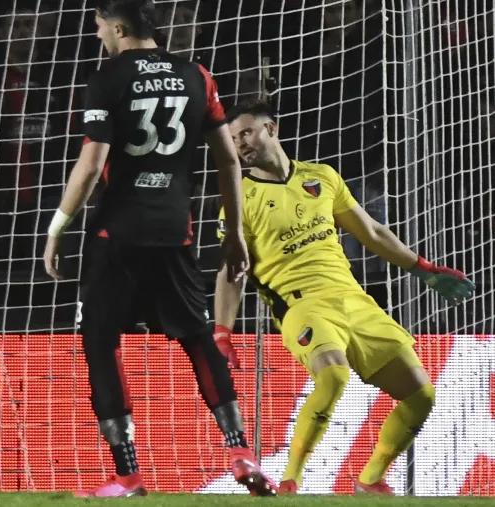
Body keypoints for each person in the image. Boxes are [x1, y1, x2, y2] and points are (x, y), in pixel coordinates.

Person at [42, 0, 273, 497]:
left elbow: (90, 165)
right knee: (197, 337)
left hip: (115, 235)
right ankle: (240, 451)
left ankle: (128, 475)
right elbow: (229, 162)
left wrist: (58, 227)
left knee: (101, 344)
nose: (99, 33)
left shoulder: (107, 78)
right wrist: (234, 235)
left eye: (101, 25)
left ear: (119, 27)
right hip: (175, 231)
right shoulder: (197, 75)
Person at [214, 100, 475, 495]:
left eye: (246, 133)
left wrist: (424, 268)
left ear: (272, 129)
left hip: (353, 299)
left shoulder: (321, 177)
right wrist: (222, 331)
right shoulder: (239, 198)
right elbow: (231, 271)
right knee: (333, 375)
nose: (240, 143)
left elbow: (371, 231)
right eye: (233, 139)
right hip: (300, 305)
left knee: (421, 395)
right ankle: (290, 482)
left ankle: (370, 481)